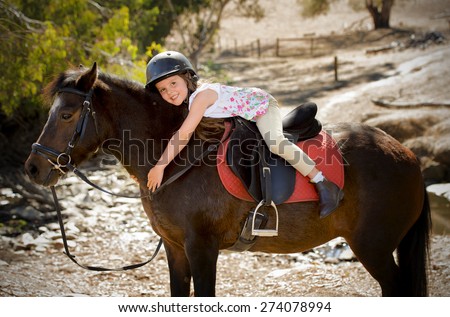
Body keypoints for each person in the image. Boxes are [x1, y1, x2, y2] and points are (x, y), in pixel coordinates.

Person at [145, 51, 343, 218]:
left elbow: (185, 133)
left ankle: (322, 181)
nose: (169, 92)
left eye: (173, 83)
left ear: (187, 78)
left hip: (262, 108)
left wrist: (160, 166)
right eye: (162, 89)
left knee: (275, 143)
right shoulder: (190, 102)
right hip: (245, 116)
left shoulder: (201, 97)